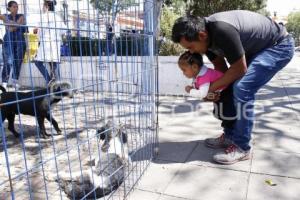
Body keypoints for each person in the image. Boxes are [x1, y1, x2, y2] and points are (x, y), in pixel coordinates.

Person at [172, 10, 295, 164]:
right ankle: (230, 135)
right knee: (229, 87)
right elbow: (221, 68)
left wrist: (208, 89)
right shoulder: (206, 40)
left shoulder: (221, 30)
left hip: (278, 46)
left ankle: (242, 147)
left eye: (190, 47)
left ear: (202, 35)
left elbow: (239, 69)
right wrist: (218, 90)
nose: (190, 52)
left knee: (242, 88)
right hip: (255, 51)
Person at [178, 51, 236, 133]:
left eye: (184, 70)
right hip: (221, 93)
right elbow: (200, 87)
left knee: (227, 116)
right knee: (219, 114)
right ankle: (229, 133)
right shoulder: (200, 73)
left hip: (226, 94)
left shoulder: (204, 76)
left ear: (194, 67)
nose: (183, 73)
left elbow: (202, 93)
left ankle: (231, 137)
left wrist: (190, 90)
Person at [34, 0, 66, 84]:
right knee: (54, 65)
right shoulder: (57, 17)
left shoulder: (44, 17)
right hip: (55, 43)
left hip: (46, 43)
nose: (42, 7)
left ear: (47, 6)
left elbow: (40, 32)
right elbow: (64, 30)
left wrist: (37, 34)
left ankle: (49, 81)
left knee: (37, 62)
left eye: (43, 5)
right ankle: (57, 86)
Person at [0, 1, 27, 89]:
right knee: (8, 61)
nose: (16, 8)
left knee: (18, 61)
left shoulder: (21, 16)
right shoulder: (4, 15)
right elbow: (10, 29)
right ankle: (4, 82)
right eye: (14, 7)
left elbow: (11, 28)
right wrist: (17, 24)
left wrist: (11, 24)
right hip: (9, 41)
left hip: (20, 42)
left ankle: (15, 81)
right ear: (9, 8)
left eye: (17, 6)